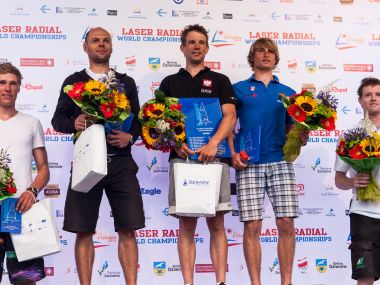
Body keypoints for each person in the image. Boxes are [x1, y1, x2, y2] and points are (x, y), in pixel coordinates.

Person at [51, 27, 145, 285]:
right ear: (85, 47)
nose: (101, 45)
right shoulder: (74, 82)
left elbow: (137, 120)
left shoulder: (125, 82)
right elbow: (57, 120)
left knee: (128, 228)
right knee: (83, 231)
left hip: (121, 162)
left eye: (106, 40)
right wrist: (76, 122)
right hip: (86, 161)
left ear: (111, 46)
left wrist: (131, 137)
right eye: (95, 41)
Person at [159, 24, 237, 285]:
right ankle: (188, 282)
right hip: (183, 160)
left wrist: (214, 143)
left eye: (201, 42)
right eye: (191, 42)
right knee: (187, 226)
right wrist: (175, 141)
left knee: (217, 224)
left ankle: (221, 282)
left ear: (207, 47)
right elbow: (161, 122)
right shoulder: (170, 83)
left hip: (215, 160)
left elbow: (230, 116)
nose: (196, 46)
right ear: (183, 48)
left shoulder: (220, 80)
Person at [229, 38, 301, 285]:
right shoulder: (237, 89)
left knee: (286, 223)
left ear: (276, 57)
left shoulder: (289, 93)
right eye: (261, 50)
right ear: (253, 56)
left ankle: (287, 282)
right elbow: (228, 125)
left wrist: (302, 135)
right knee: (252, 226)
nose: (266, 54)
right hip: (249, 163)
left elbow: (294, 130)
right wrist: (232, 153)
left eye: (271, 51)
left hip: (280, 162)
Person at [0, 62, 50, 284]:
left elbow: (44, 169)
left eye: (13, 83)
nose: (7, 88)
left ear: (19, 88)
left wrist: (31, 191)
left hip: (21, 209)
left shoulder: (32, 123)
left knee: (25, 279)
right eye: (2, 82)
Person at [335, 77, 380, 285]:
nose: (374, 98)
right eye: (368, 94)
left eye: (378, 94)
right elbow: (339, 179)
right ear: (360, 101)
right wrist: (353, 183)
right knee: (365, 277)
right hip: (364, 214)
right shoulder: (350, 136)